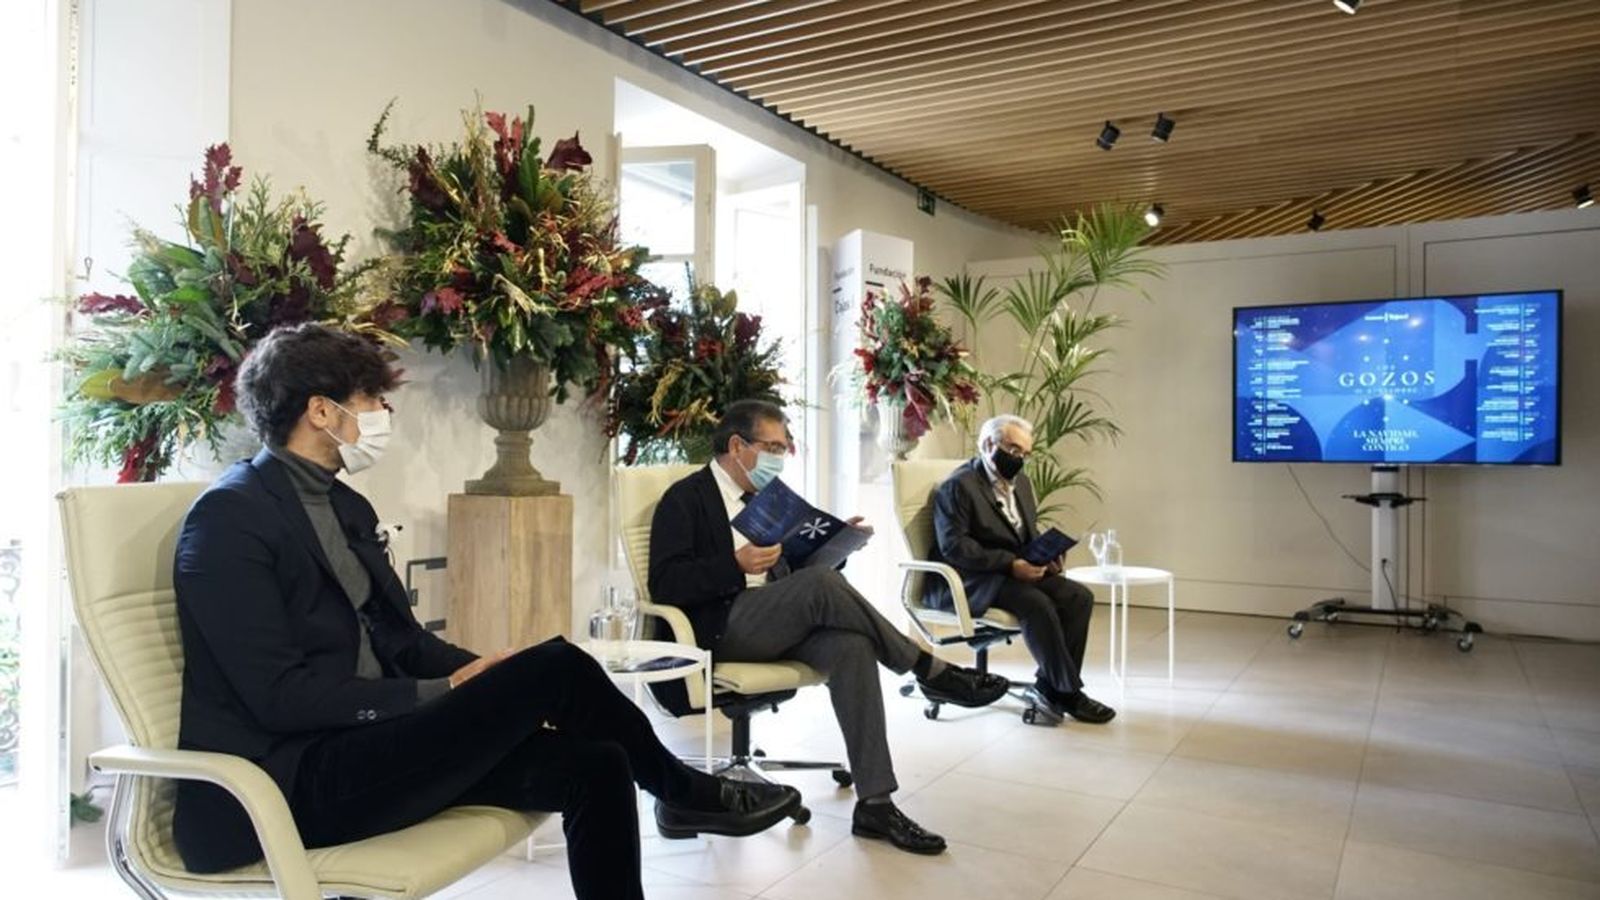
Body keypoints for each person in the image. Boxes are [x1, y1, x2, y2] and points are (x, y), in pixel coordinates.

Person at [171, 324, 797, 899]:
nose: (380, 415)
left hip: (370, 747)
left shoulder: (345, 508)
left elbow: (404, 639)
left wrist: (488, 679)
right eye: (369, 400)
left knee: (596, 762)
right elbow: (276, 698)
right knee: (555, 665)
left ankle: (675, 794)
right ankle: (681, 790)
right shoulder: (230, 519)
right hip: (291, 780)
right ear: (319, 410)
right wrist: (441, 692)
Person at [647, 399, 1010, 856]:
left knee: (851, 646)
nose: (780, 456)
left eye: (785, 447)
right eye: (772, 446)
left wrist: (837, 545)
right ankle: (926, 668)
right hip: (721, 626)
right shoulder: (686, 498)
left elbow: (799, 568)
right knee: (820, 585)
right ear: (737, 445)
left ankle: (876, 803)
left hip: (778, 616)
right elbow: (665, 583)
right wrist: (733, 566)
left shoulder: (767, 498)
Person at [926, 415, 1116, 725]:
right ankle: (1068, 693)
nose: (1021, 460)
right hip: (972, 578)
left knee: (1077, 596)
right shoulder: (958, 487)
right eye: (1014, 450)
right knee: (1035, 603)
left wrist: (1047, 555)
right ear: (989, 444)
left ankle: (1048, 686)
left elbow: (1026, 534)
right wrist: (1009, 564)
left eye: (1026, 454)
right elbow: (955, 548)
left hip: (1014, 570)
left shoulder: (1022, 484)